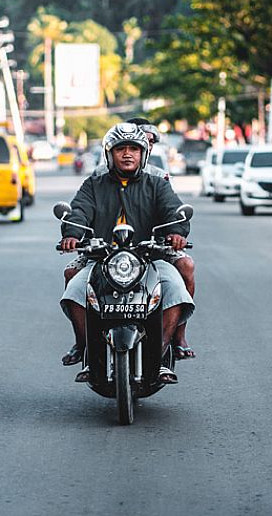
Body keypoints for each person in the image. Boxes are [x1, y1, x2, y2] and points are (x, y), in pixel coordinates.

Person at [59, 122, 194, 384]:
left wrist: (176, 233)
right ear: (109, 154)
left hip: (151, 257)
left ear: (143, 154)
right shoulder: (94, 184)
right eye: (121, 149)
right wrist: (72, 235)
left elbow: (173, 211)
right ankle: (85, 347)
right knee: (75, 289)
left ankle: (163, 351)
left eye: (134, 148)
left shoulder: (157, 184)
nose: (128, 154)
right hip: (101, 258)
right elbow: (79, 211)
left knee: (176, 291)